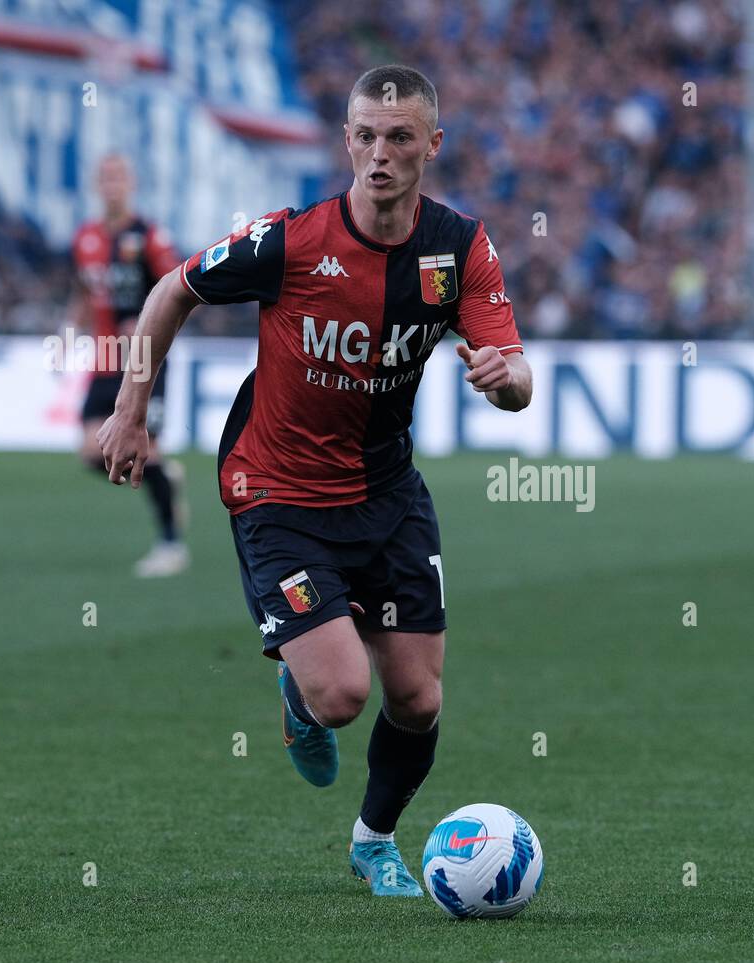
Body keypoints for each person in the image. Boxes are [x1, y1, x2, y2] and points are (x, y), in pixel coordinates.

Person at [95, 65, 532, 896]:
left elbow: (516, 378)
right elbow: (168, 292)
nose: (379, 155)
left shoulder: (460, 247)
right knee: (340, 694)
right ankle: (297, 701)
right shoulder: (290, 241)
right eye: (364, 135)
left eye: (399, 138)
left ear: (431, 146)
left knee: (417, 698)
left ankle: (375, 840)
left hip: (387, 494)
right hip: (279, 492)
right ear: (346, 141)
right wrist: (131, 408)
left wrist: (503, 380)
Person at [71, 154, 189, 577]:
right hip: (104, 362)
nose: (111, 184)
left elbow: (178, 290)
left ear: (131, 183)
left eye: (118, 177)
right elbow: (86, 292)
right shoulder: (85, 238)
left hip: (143, 362)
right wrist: (72, 326)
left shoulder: (150, 237)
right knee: (90, 451)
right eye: (105, 177)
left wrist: (146, 334)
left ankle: (171, 544)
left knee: (146, 449)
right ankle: (165, 478)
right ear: (95, 185)